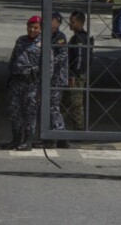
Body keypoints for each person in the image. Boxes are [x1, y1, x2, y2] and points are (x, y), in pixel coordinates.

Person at [2, 16, 44, 151]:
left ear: (40, 28)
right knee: (14, 110)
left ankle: (27, 141)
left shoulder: (43, 43)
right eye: (30, 27)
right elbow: (14, 57)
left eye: (35, 27)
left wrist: (31, 71)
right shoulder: (21, 40)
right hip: (16, 81)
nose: (32, 30)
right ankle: (16, 139)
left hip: (32, 83)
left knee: (29, 112)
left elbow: (47, 66)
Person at [42, 11, 69, 148]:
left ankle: (56, 136)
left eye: (52, 20)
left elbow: (62, 55)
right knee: (50, 106)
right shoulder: (45, 35)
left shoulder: (60, 37)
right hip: (48, 77)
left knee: (53, 106)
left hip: (57, 77)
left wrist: (48, 62)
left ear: (57, 22)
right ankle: (60, 136)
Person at [63, 10, 91, 132]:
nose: (70, 24)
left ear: (80, 23)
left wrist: (73, 75)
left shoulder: (80, 39)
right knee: (68, 102)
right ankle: (58, 126)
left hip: (77, 76)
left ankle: (78, 130)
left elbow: (79, 59)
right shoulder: (76, 37)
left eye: (72, 22)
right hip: (74, 74)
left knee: (76, 103)